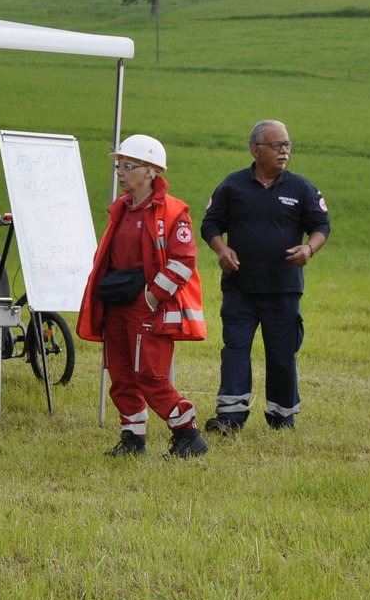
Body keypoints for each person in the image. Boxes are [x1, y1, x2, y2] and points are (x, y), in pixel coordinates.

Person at [77, 134, 209, 458]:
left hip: (148, 307)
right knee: (120, 374)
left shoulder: (173, 211)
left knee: (150, 376)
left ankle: (187, 432)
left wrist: (152, 297)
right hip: (117, 303)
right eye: (119, 165)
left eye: (128, 166)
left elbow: (183, 261)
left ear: (150, 171)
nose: (119, 172)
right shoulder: (121, 208)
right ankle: (133, 438)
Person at [200, 119, 331, 433]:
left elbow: (321, 226)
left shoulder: (302, 188)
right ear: (255, 150)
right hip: (240, 288)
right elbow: (210, 225)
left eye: (287, 145)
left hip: (283, 289)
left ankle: (282, 416)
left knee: (282, 353)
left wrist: (309, 250)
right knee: (235, 349)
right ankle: (230, 417)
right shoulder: (232, 186)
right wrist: (221, 250)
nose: (284, 151)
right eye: (277, 145)